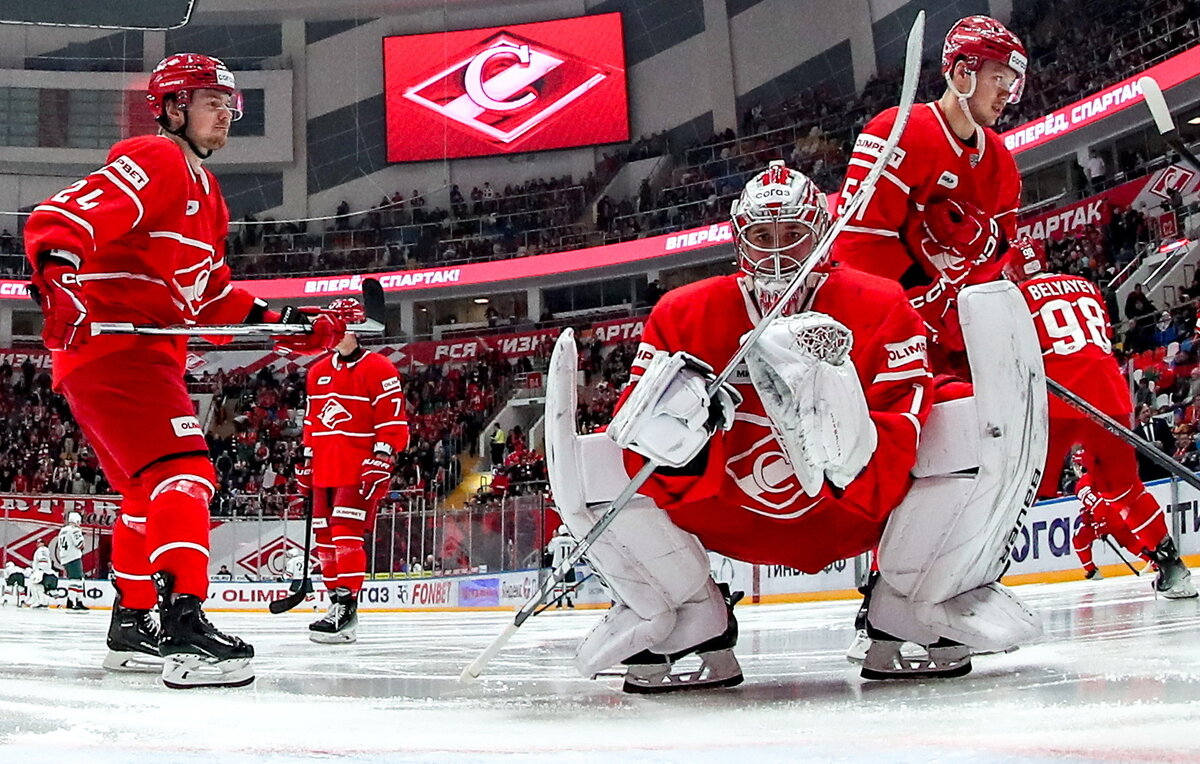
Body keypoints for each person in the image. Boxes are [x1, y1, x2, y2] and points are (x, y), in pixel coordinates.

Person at [545, 162, 1046, 691]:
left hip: (852, 513)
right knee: (594, 461)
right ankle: (687, 617)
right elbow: (635, 442)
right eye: (763, 236)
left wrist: (839, 419)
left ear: (820, 236)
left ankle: (908, 605)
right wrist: (676, 440)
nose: (778, 251)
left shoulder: (877, 301)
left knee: (965, 423)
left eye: (792, 235)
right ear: (740, 241)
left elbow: (903, 426)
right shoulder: (683, 313)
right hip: (728, 513)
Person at [22, 54, 351, 688]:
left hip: (144, 354)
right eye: (210, 100)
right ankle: (184, 630)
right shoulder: (156, 157)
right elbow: (62, 218)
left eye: (229, 102)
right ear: (172, 107)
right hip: (116, 348)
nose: (225, 111)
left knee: (148, 491)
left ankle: (133, 625)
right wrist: (59, 283)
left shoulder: (208, 197)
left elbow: (210, 294)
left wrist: (291, 323)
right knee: (183, 473)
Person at [832, 15, 1027, 376]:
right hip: (889, 338)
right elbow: (857, 240)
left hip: (960, 340)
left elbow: (1002, 252)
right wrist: (928, 299)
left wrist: (990, 256)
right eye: (998, 78)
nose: (1006, 93)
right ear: (961, 73)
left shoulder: (1001, 163)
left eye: (1012, 83)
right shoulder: (898, 131)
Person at [1007, 242, 1194, 598]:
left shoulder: (1015, 297)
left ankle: (981, 580)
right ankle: (1172, 566)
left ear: (1014, 271)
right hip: (1109, 391)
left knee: (1017, 490)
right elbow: (1098, 338)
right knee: (1124, 488)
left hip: (1057, 397)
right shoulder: (1086, 285)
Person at [297, 300, 409, 644]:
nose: (336, 334)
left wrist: (382, 456)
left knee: (346, 533)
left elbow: (393, 419)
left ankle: (348, 607)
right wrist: (306, 459)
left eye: (341, 326)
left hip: (357, 465)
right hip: (325, 466)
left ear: (357, 329)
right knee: (324, 538)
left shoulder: (380, 368)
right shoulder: (317, 371)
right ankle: (334, 604)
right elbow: (312, 421)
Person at [1070, 452, 1153, 580]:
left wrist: (1100, 523)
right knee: (1131, 542)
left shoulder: (1082, 484)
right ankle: (1156, 561)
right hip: (1118, 512)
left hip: (1105, 516)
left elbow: (1098, 504)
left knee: (1079, 539)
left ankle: (1091, 570)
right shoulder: (1105, 474)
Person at [1133, 403, 1176, 481]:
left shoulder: (1161, 423)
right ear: (1138, 417)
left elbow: (1171, 441)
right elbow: (1136, 453)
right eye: (1143, 412)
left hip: (1164, 467)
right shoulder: (1136, 433)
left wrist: (1162, 445)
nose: (1147, 414)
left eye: (1147, 411)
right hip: (1147, 471)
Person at [54, 511, 88, 610]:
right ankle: (71, 601)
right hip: (73, 557)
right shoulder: (74, 530)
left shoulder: (62, 530)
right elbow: (80, 544)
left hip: (65, 557)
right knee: (76, 580)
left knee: (79, 580)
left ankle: (79, 601)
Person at [544, 525, 577, 609]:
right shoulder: (573, 540)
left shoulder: (555, 540)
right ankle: (570, 602)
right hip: (569, 564)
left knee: (558, 584)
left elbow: (550, 551)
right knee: (570, 583)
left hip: (557, 565)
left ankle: (559, 603)